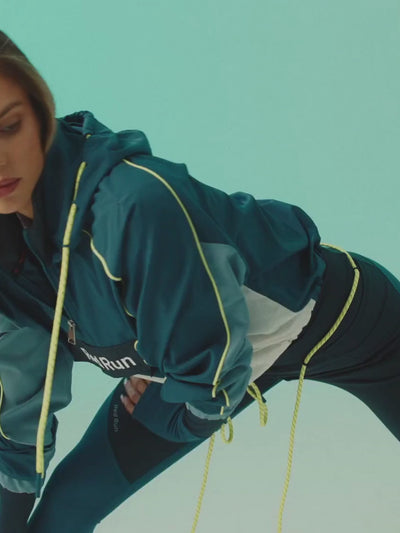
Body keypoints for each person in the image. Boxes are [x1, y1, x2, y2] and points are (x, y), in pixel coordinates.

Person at [0, 30, 399, 533]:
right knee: (61, 515)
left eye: (7, 126)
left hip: (344, 321)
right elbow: (23, 408)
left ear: (40, 110)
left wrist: (194, 412)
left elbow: (212, 358)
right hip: (203, 366)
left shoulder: (132, 207)